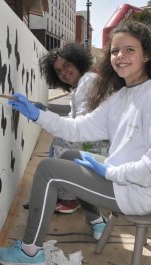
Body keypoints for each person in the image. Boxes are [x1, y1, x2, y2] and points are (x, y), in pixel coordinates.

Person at [0, 20, 151, 265]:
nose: (120, 56)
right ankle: (96, 221)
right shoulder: (123, 95)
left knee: (48, 170)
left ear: (146, 55)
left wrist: (109, 172)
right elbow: (77, 128)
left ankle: (30, 251)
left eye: (129, 50)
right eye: (115, 51)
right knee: (71, 155)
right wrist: (37, 114)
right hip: (126, 179)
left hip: (138, 192)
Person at [39, 43, 109, 214]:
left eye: (66, 66)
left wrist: (45, 117)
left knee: (62, 143)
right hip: (101, 140)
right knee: (61, 138)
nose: (63, 72)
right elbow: (73, 119)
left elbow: (82, 123)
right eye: (58, 71)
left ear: (77, 62)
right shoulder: (83, 83)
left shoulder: (88, 82)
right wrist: (46, 114)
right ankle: (65, 191)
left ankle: (70, 198)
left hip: (105, 146)